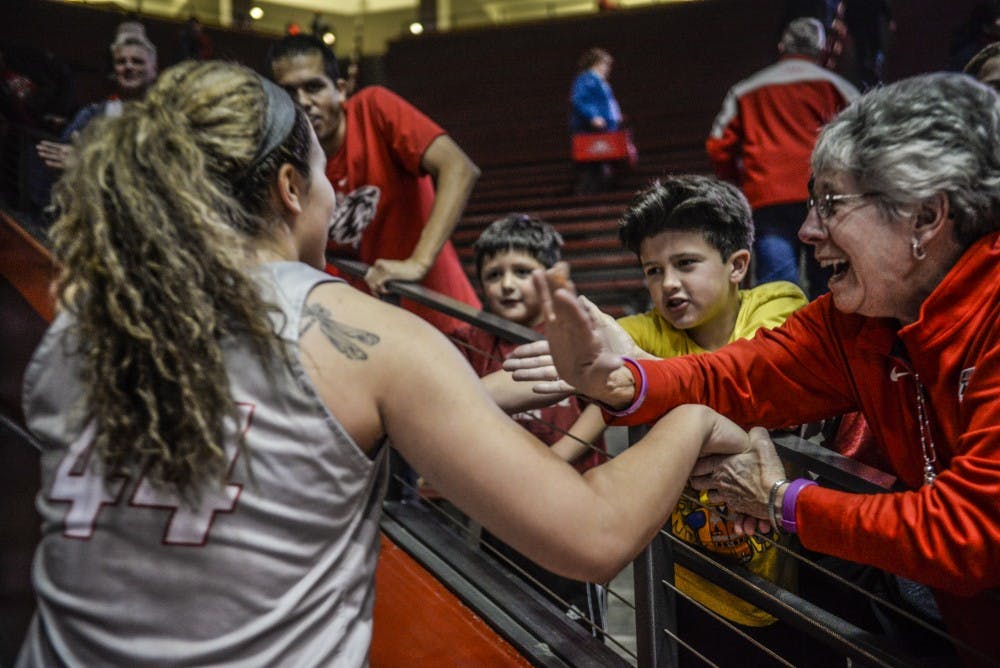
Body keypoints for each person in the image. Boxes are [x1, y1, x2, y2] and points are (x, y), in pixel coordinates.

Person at [16, 59, 753, 666]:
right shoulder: (366, 334)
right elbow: (592, 537)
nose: (335, 188)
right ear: (289, 188)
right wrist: (691, 414)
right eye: (323, 169)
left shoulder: (86, 323)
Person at [507, 72, 1000, 667]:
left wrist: (783, 500)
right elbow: (740, 374)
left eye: (831, 204)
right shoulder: (860, 318)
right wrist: (622, 379)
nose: (806, 229)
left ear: (925, 216)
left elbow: (969, 531)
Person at [608, 176, 809, 665]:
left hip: (789, 590)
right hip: (692, 582)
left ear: (737, 264)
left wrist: (638, 367)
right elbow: (599, 347)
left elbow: (756, 376)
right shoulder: (651, 330)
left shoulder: (777, 302)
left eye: (685, 263)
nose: (668, 284)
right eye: (652, 271)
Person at [450, 214, 610, 634]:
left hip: (571, 501)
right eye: (494, 274)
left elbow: (602, 405)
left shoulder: (574, 330)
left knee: (574, 631)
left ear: (548, 277)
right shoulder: (473, 338)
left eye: (522, 272)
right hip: (505, 507)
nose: (506, 284)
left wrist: (559, 456)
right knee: (503, 619)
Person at [266, 34, 481, 336]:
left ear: (340, 89)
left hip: (441, 317)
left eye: (314, 87)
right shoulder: (288, 161)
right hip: (370, 332)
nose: (303, 102)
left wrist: (418, 262)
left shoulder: (373, 109)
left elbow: (459, 168)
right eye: (289, 92)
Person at [706, 17, 858, 300]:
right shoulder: (837, 86)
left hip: (767, 195)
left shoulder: (745, 90)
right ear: (822, 50)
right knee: (829, 278)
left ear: (781, 46)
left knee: (777, 285)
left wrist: (736, 181)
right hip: (825, 195)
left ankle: (781, 341)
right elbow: (864, 137)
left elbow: (717, 145)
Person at [35, 21, 157, 172]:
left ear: (153, 70)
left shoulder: (167, 117)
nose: (128, 67)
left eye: (137, 61)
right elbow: (61, 158)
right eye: (121, 62)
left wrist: (91, 162)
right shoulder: (91, 115)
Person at [569, 47, 622, 194]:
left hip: (604, 129)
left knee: (601, 162)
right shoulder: (587, 79)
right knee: (592, 163)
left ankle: (599, 186)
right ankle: (588, 190)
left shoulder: (600, 81)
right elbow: (580, 100)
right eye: (605, 65)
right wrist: (593, 117)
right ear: (597, 63)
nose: (607, 69)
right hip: (591, 130)